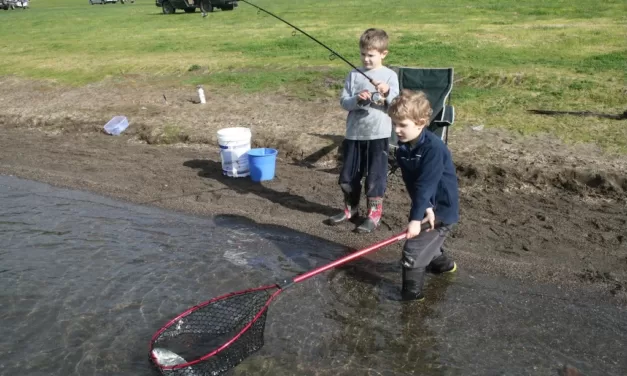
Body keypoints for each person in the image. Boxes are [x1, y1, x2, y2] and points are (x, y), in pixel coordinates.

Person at [387, 89, 459, 301]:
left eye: (403, 125)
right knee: (428, 244)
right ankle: (445, 266)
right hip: (428, 205)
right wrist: (425, 207)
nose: (397, 130)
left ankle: (411, 300)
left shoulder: (433, 149)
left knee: (413, 249)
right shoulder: (403, 149)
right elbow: (413, 183)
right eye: (394, 124)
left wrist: (415, 219)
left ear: (420, 123)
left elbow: (427, 184)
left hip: (443, 209)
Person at [326, 28, 400, 233]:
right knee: (349, 175)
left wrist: (387, 94)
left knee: (375, 176)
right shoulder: (353, 75)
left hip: (378, 135)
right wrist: (358, 99)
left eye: (371, 55)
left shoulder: (390, 76)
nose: (366, 59)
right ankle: (351, 208)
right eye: (363, 54)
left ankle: (373, 214)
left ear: (383, 54)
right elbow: (344, 102)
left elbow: (396, 104)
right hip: (354, 134)